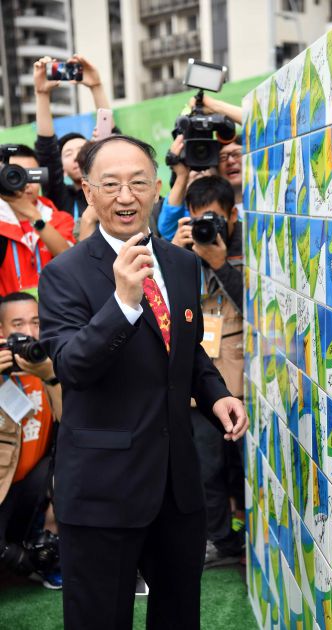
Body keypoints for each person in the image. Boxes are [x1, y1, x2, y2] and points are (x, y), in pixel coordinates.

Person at [38, 134, 249, 630]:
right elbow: (71, 367)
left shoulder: (180, 261)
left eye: (137, 182)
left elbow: (187, 347)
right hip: (103, 488)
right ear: (88, 193)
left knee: (178, 615)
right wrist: (123, 303)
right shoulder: (64, 274)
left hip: (177, 485)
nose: (126, 196)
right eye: (110, 184)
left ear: (157, 188)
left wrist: (217, 395)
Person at [172, 175, 245, 566]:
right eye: (199, 219)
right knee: (206, 467)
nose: (207, 228)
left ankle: (249, 533)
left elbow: (260, 308)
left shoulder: (248, 246)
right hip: (199, 381)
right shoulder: (176, 253)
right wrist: (172, 256)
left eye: (214, 219)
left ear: (232, 216)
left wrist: (221, 264)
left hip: (244, 377)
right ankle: (220, 538)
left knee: (242, 467)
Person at [0, 292, 62, 588]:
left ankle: (49, 547)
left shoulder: (51, 362)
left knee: (72, 468)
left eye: (36, 322)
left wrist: (50, 376)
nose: (29, 332)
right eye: (18, 324)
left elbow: (71, 421)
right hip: (3, 487)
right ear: (2, 331)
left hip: (35, 482)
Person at [33, 54, 113, 224]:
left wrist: (96, 86)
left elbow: (112, 141)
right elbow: (47, 152)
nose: (77, 156)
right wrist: (42, 94)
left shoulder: (112, 188)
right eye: (68, 154)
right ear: (62, 169)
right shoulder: (60, 198)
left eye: (82, 150)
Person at [0, 144, 75, 296]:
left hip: (54, 306)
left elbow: (69, 259)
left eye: (30, 174)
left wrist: (33, 216)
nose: (25, 183)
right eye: (15, 175)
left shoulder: (59, 219)